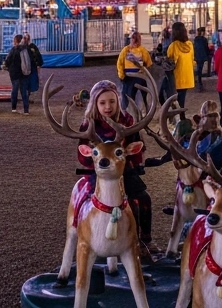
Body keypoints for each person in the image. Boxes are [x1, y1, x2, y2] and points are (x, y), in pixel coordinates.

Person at [76, 81, 153, 254]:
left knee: (142, 200)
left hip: (124, 172)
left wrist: (133, 163)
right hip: (100, 174)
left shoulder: (127, 121)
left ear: (118, 101)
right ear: (95, 103)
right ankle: (85, 235)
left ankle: (144, 239)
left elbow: (135, 147)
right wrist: (94, 163)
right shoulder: (89, 126)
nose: (108, 106)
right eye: (102, 103)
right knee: (85, 203)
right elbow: (83, 154)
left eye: (112, 101)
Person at [115, 32, 152, 112]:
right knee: (127, 96)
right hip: (129, 77)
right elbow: (120, 63)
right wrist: (122, 75)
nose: (134, 42)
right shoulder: (126, 50)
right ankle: (128, 113)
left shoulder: (142, 50)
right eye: (133, 39)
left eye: (136, 40)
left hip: (139, 77)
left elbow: (148, 63)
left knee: (143, 96)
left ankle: (146, 111)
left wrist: (143, 68)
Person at [166, 21, 195, 108]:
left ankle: (178, 118)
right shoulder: (189, 45)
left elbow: (170, 63)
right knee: (182, 100)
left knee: (173, 100)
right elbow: (192, 60)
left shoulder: (174, 46)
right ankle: (181, 116)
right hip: (187, 77)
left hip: (177, 78)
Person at [5, 35, 31, 113]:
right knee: (24, 92)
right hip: (24, 73)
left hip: (15, 73)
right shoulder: (26, 49)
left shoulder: (14, 49)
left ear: (16, 41)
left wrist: (8, 68)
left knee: (14, 90)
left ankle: (14, 108)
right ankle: (26, 110)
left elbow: (8, 60)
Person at [193, 27, 212, 92]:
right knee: (200, 70)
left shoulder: (196, 39)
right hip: (202, 56)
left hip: (197, 56)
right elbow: (206, 48)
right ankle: (200, 84)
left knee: (199, 69)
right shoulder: (204, 39)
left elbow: (194, 48)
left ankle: (199, 83)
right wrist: (208, 54)